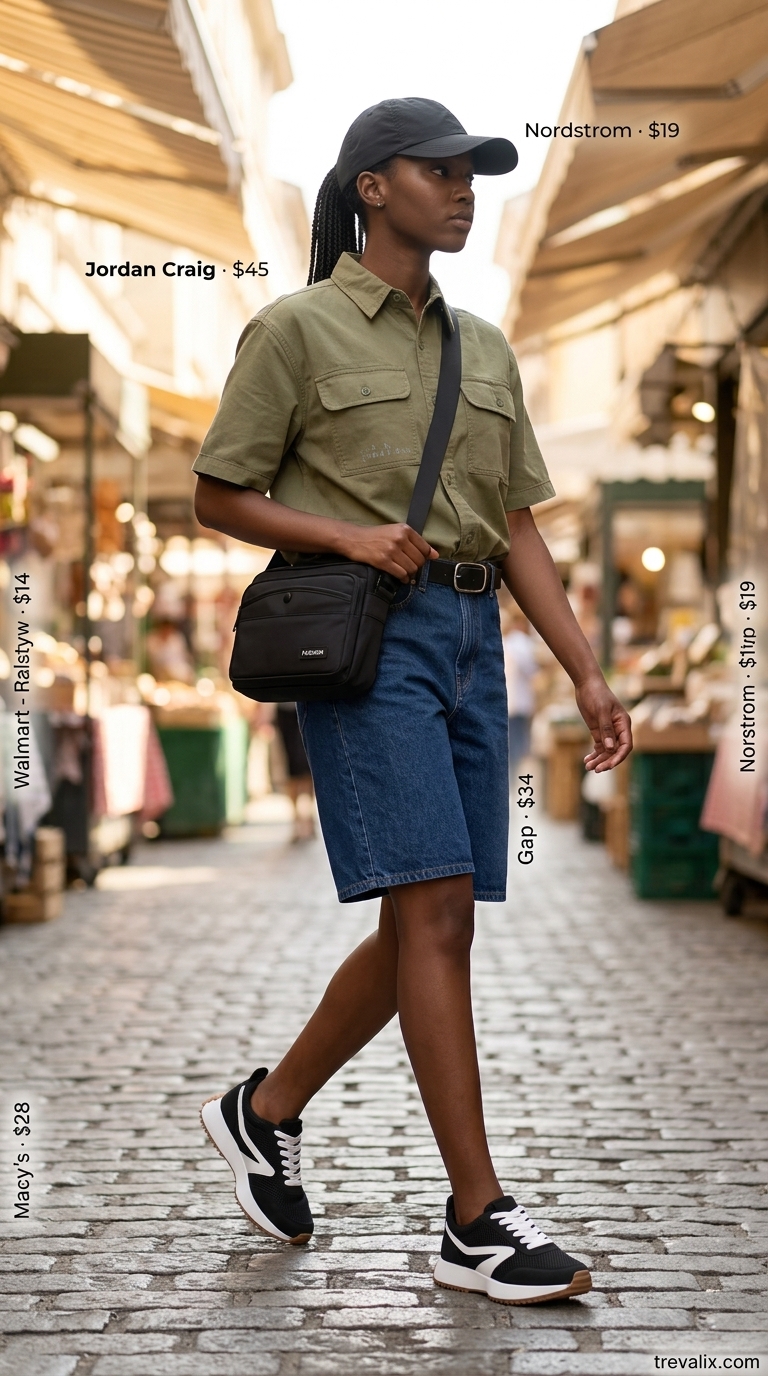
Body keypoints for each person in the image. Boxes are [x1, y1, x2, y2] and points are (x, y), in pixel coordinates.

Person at [193, 98, 632, 1306]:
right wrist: (346, 532)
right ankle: (476, 1218)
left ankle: (265, 1105)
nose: (462, 186)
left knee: (431, 922)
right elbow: (218, 493)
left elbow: (522, 525)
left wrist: (586, 665)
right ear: (372, 187)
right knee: (433, 908)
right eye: (437, 169)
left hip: (473, 643)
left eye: (472, 171)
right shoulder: (295, 330)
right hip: (365, 634)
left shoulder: (485, 348)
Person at [503, 608, 537, 782]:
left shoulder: (506, 642)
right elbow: (532, 669)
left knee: (509, 746)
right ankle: (514, 781)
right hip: (519, 704)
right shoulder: (521, 642)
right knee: (518, 748)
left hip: (508, 703)